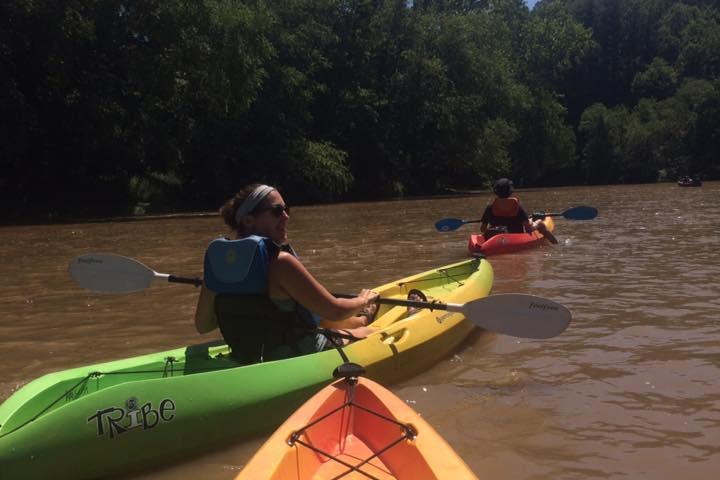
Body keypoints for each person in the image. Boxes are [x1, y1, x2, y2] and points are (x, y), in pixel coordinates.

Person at [195, 183, 377, 363]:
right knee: (374, 333)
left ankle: (362, 319)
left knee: (330, 323)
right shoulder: (280, 262)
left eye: (286, 209)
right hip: (299, 356)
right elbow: (336, 310)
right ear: (249, 220)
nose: (286, 216)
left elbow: (203, 326)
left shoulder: (218, 266)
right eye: (277, 211)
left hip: (248, 358)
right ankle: (369, 317)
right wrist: (363, 300)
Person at [479, 178, 558, 244]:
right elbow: (528, 228)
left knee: (531, 220)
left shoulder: (490, 208)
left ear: (496, 192)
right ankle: (555, 244)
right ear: (510, 191)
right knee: (540, 222)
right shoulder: (517, 207)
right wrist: (536, 222)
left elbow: (483, 229)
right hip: (515, 238)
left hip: (497, 238)